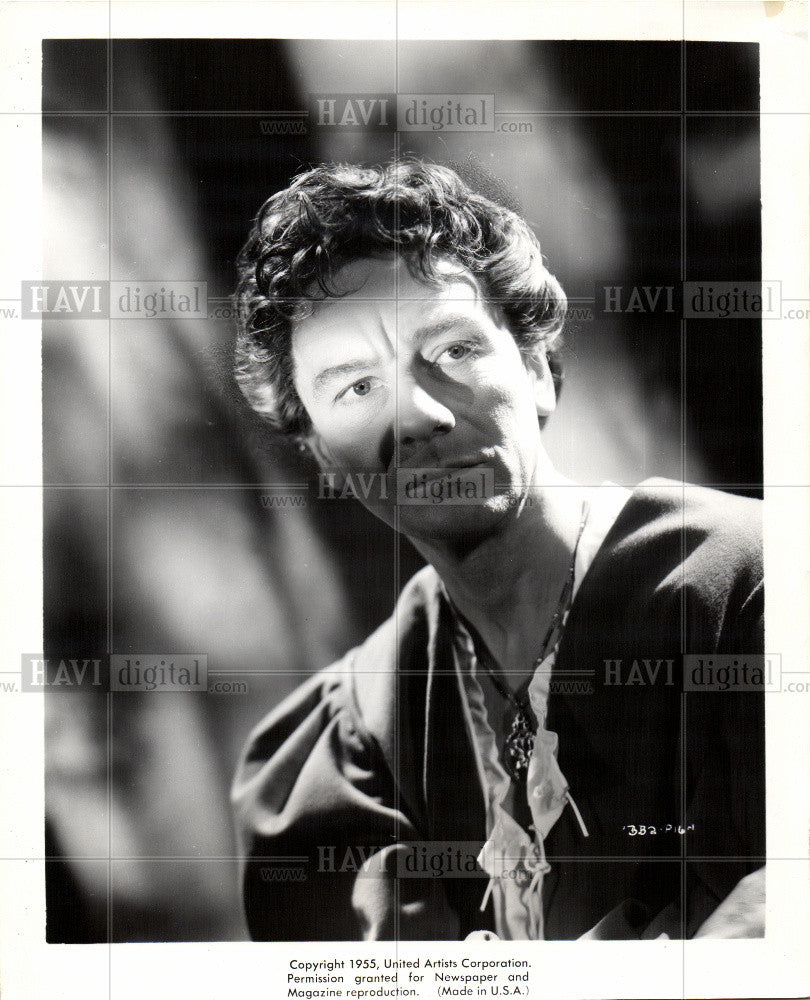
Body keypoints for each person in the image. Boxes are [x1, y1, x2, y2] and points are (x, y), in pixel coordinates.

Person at [230, 160, 765, 941]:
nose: (417, 414)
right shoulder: (355, 742)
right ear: (322, 455)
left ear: (538, 367)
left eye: (453, 351)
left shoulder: (752, 589)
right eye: (357, 387)